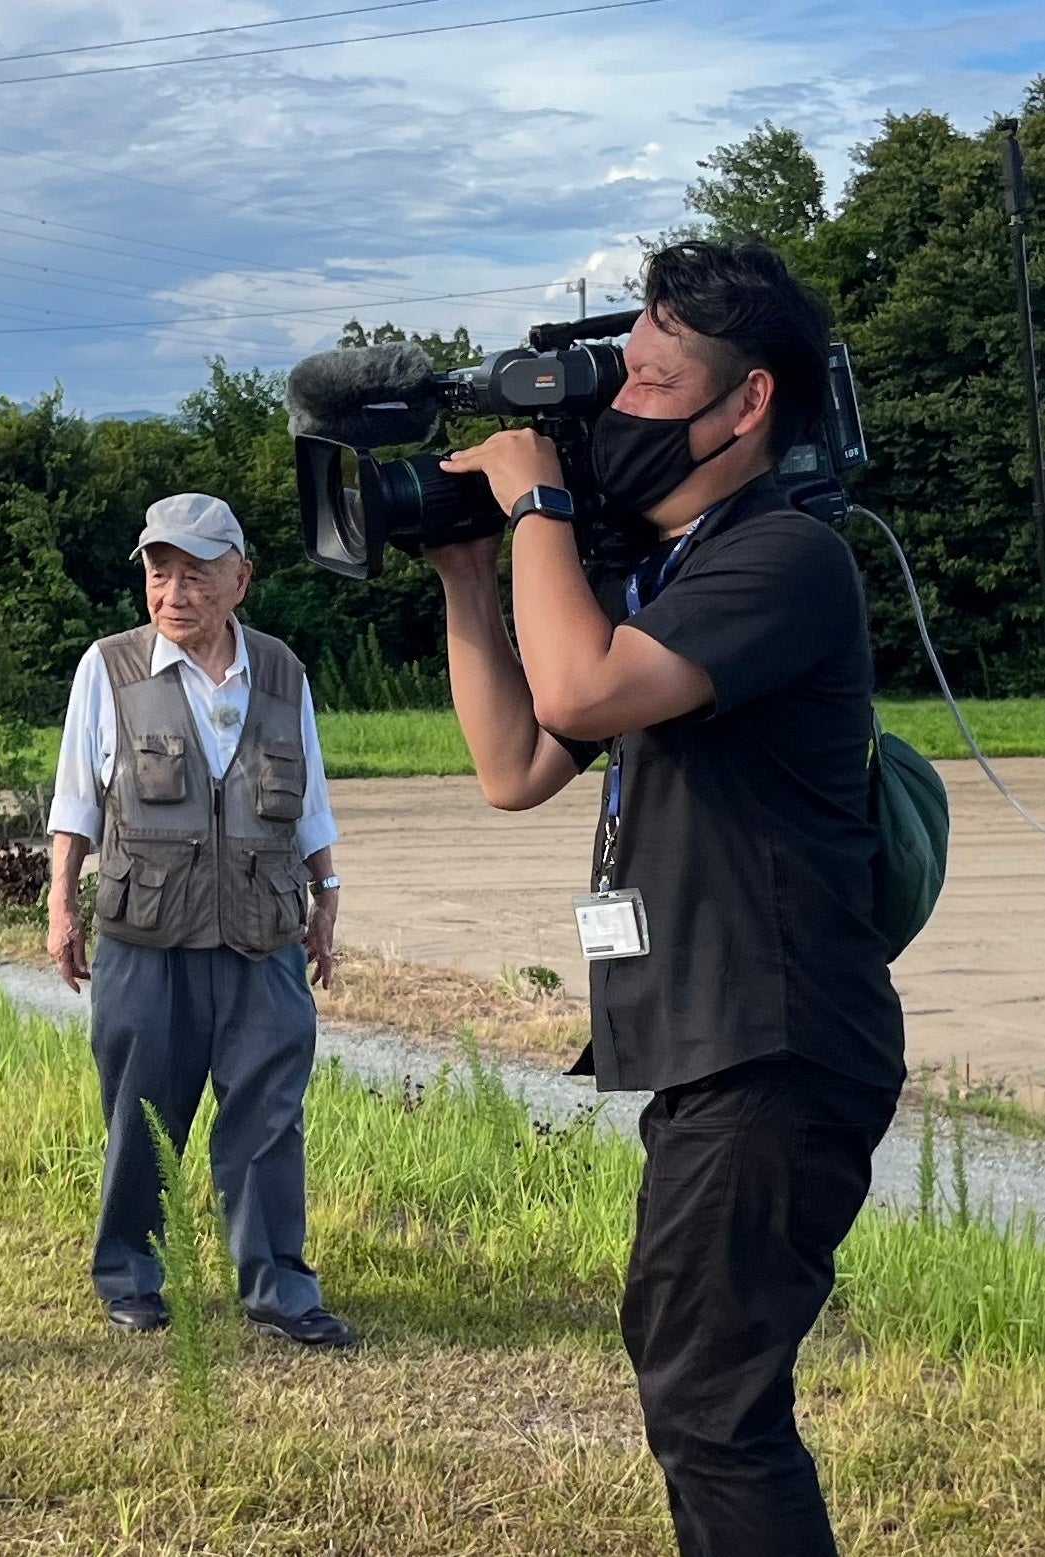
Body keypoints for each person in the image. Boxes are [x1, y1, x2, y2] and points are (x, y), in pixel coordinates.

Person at [429, 241, 902, 1556]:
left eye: (647, 380)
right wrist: (476, 578)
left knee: (711, 1402)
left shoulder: (788, 561)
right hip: (723, 1050)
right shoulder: (669, 578)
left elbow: (576, 692)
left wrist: (532, 504)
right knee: (695, 1384)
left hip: (779, 1046)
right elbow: (515, 764)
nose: (614, 408)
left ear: (745, 405)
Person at [45, 493, 354, 1350]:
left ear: (240, 578)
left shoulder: (282, 670)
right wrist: (60, 901)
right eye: (158, 572)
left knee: (268, 1113)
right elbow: (75, 797)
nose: (172, 591)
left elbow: (311, 800)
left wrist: (326, 895)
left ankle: (278, 1287)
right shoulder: (107, 667)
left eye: (194, 573)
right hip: (145, 934)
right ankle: (130, 1275)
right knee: (142, 1112)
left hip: (262, 931)